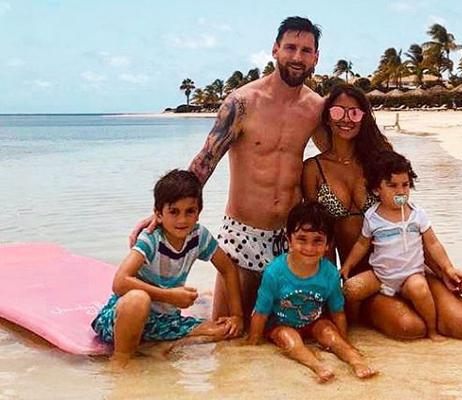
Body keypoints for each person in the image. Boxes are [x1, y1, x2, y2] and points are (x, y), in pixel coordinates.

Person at [130, 16, 327, 323]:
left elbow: (337, 158)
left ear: (316, 57)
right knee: (226, 329)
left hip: (290, 237)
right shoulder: (243, 103)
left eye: (306, 50)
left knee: (281, 329)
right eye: (290, 47)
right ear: (275, 50)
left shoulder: (315, 108)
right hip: (243, 234)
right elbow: (206, 159)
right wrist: (165, 211)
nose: (297, 57)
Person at [302, 84, 462, 340]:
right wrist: (329, 292)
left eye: (354, 113)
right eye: (338, 111)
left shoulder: (379, 161)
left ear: (364, 118)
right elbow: (320, 239)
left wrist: (445, 270)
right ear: (327, 117)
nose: (346, 119)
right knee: (411, 328)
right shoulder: (313, 169)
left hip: (410, 267)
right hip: (367, 279)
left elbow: (409, 221)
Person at [93, 169, 244, 368]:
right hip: (124, 318)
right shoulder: (151, 239)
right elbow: (119, 282)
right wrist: (169, 296)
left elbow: (228, 269)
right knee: (138, 299)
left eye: (190, 211)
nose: (182, 220)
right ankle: (120, 361)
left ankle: (157, 347)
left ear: (199, 213)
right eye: (174, 212)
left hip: (165, 321)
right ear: (158, 214)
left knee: (226, 330)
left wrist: (237, 316)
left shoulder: (199, 237)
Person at [340, 151, 462, 341]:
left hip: (411, 275)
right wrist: (348, 265)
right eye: (392, 186)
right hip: (381, 275)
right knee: (351, 289)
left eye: (405, 185)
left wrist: (448, 268)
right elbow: (362, 244)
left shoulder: (417, 215)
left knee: (420, 289)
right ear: (377, 190)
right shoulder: (372, 217)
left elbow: (433, 243)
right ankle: (355, 325)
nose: (401, 191)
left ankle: (431, 330)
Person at [246, 201, 377, 383]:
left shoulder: (330, 273)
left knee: (329, 332)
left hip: (314, 322)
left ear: (327, 244)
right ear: (289, 240)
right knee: (288, 338)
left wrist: (343, 341)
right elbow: (261, 313)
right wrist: (252, 345)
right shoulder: (274, 272)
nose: (309, 248)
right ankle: (317, 366)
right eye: (302, 239)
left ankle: (356, 361)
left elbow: (337, 312)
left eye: (317, 241)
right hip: (280, 325)